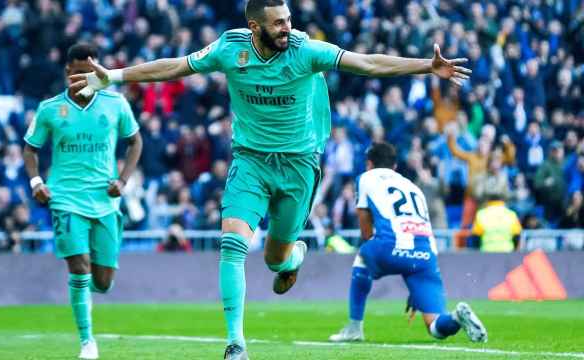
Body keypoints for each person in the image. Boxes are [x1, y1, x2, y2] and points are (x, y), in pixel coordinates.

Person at [69, 1, 470, 358]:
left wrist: (426, 65)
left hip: (298, 167)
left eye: (289, 19)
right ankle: (236, 344)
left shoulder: (304, 50)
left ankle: (293, 254)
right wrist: (115, 77)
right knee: (232, 241)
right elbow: (176, 66)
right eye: (278, 22)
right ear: (255, 26)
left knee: (275, 257)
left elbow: (366, 62)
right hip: (251, 162)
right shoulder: (230, 48)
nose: (288, 28)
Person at [23, 43, 143, 360]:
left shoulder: (115, 103)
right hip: (65, 197)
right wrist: (36, 181)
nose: (84, 79)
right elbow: (30, 148)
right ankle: (88, 342)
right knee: (79, 266)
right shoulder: (50, 108)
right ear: (68, 72)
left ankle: (84, 297)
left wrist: (124, 179)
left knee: (102, 282)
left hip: (105, 200)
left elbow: (135, 141)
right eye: (79, 73)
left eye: (90, 73)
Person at [329, 143, 487, 344]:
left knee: (362, 257)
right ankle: (456, 317)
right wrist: (415, 285)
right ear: (394, 167)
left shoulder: (366, 178)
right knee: (435, 326)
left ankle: (354, 328)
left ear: (369, 164)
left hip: (390, 246)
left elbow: (364, 222)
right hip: (425, 255)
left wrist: (371, 247)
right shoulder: (414, 186)